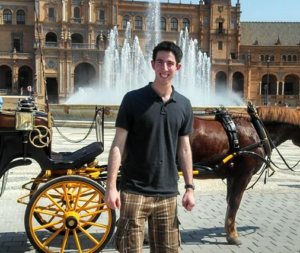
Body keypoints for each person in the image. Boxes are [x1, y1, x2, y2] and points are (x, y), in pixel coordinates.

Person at [104, 41, 195, 253]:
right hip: (134, 191)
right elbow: (118, 144)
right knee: (129, 250)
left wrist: (190, 188)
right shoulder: (133, 99)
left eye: (170, 64)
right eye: (160, 63)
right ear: (153, 64)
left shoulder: (184, 104)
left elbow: (184, 149)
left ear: (178, 67)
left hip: (168, 193)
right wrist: (111, 187)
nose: (165, 68)